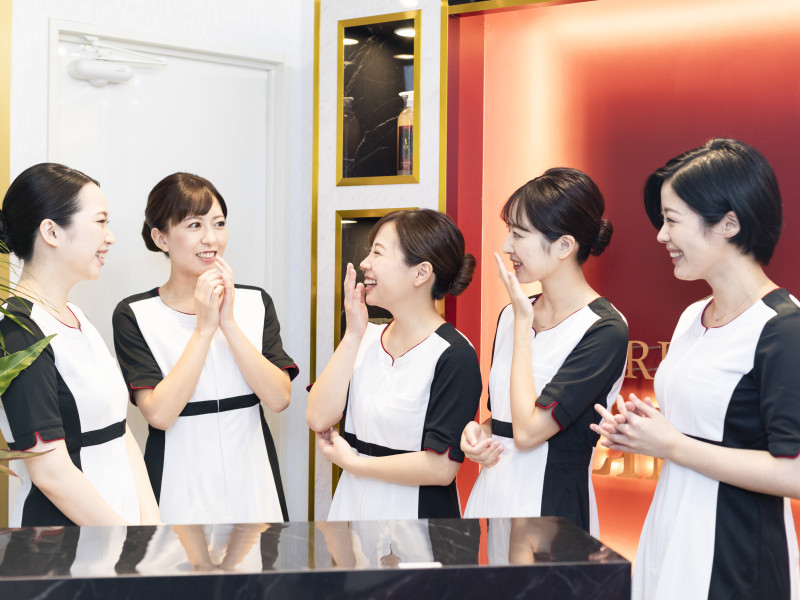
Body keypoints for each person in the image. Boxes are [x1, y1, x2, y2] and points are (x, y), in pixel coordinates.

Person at [592, 138, 800, 600]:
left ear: (729, 223)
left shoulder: (782, 328)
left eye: (671, 220)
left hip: (736, 556)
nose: (661, 236)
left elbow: (794, 474)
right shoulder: (692, 316)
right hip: (671, 530)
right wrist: (641, 431)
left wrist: (671, 444)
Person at [112, 173, 298, 524]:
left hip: (253, 480)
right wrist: (203, 330)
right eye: (194, 225)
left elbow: (279, 398)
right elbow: (159, 414)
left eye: (219, 223)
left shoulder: (256, 302)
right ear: (161, 238)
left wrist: (228, 322)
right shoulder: (135, 314)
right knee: (175, 560)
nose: (211, 238)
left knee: (260, 559)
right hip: (178, 482)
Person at [461, 168, 628, 536]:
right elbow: (504, 420)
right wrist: (477, 433)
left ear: (565, 246)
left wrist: (523, 325)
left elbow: (528, 433)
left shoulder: (603, 329)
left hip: (551, 515)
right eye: (509, 232)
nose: (508, 247)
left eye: (519, 235)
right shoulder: (512, 314)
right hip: (490, 499)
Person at [0, 163, 159, 526]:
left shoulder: (77, 316)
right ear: (52, 232)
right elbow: (51, 473)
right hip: (65, 543)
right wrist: (124, 539)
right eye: (100, 222)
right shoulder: (16, 331)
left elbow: (119, 428)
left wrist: (150, 527)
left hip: (121, 533)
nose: (110, 237)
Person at [306, 209, 482, 520]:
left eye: (378, 252)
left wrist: (355, 463)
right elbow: (318, 417)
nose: (365, 263)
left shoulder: (454, 355)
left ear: (421, 273)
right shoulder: (365, 336)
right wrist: (352, 334)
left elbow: (441, 468)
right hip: (350, 510)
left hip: (416, 523)